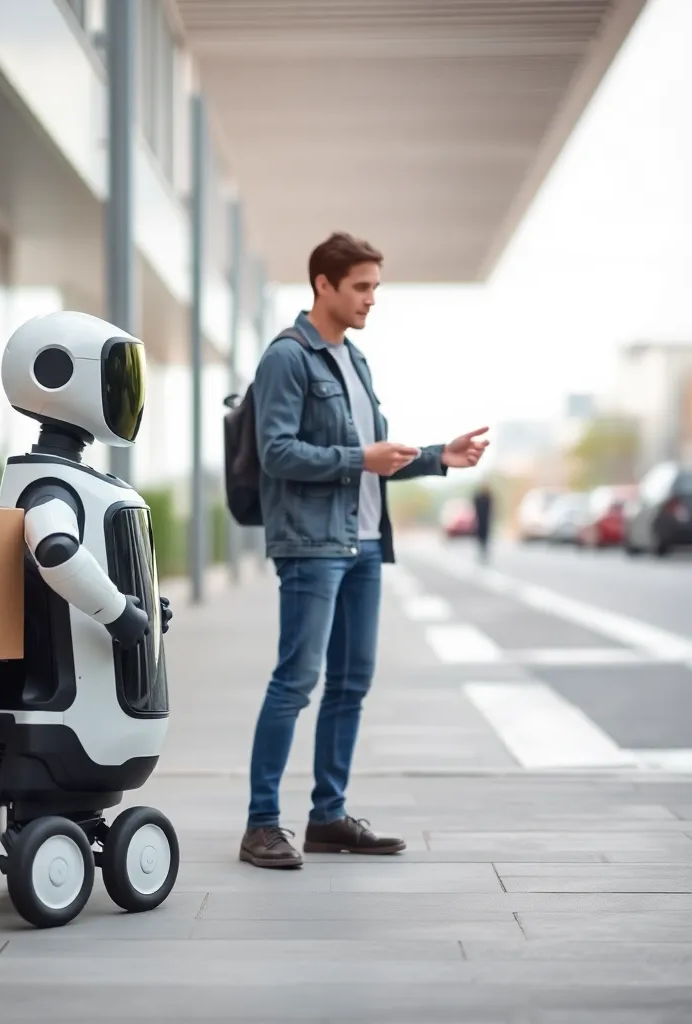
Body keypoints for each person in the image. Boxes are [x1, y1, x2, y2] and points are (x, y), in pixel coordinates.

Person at [239, 232, 488, 870]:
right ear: (323, 284)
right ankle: (261, 824)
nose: (372, 299)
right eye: (362, 287)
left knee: (352, 682)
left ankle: (327, 818)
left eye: (376, 286)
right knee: (295, 681)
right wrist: (360, 457)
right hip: (313, 546)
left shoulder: (355, 360)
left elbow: (373, 461)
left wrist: (437, 457)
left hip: (366, 544)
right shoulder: (288, 359)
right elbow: (278, 453)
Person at [472, 485, 494, 562]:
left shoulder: (488, 497)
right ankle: (481, 550)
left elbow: (492, 507)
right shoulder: (478, 497)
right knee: (480, 536)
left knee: (485, 537)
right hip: (480, 520)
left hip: (486, 520)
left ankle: (484, 550)